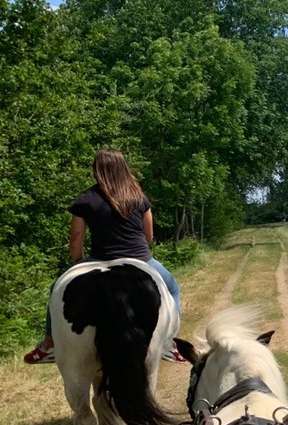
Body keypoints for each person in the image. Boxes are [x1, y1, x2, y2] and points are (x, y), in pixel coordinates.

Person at [23, 148, 184, 363]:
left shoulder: (85, 199)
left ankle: (49, 345)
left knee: (56, 289)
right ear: (123, 167)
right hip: (140, 258)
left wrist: (79, 263)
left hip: (99, 259)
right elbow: (149, 236)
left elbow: (76, 241)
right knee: (172, 289)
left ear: (96, 170)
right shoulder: (138, 196)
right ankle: (170, 343)